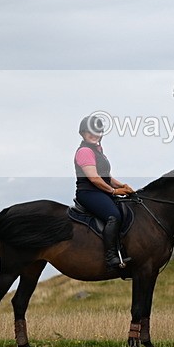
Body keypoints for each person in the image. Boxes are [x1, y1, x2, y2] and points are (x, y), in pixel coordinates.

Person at [74, 114, 135, 268]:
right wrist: (114, 191)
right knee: (113, 216)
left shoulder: (98, 151)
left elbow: (107, 177)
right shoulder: (85, 151)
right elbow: (94, 178)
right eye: (90, 131)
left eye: (97, 131)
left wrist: (124, 186)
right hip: (88, 193)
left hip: (101, 192)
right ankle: (110, 257)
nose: (94, 134)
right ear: (83, 133)